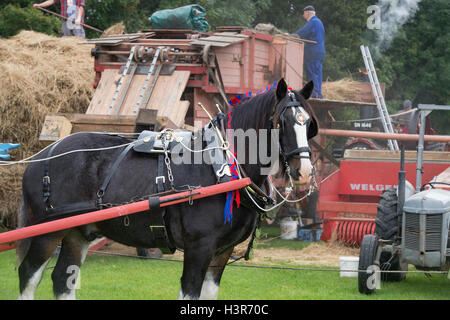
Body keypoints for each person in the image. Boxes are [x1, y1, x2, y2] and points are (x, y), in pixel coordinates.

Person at [294, 6, 325, 99]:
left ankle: (314, 94)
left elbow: (302, 33)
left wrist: (292, 35)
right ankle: (318, 93)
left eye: (304, 13)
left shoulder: (313, 22)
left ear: (308, 13)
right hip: (319, 52)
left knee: (312, 73)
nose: (303, 15)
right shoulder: (319, 23)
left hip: (312, 52)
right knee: (317, 73)